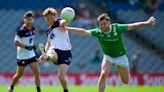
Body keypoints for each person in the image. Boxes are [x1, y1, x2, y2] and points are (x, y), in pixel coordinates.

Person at [63, 13, 156, 92]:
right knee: (103, 73)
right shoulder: (98, 32)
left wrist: (146, 23)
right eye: (100, 24)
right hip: (108, 57)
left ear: (109, 23)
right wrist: (67, 28)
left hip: (121, 57)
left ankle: (120, 68)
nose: (102, 26)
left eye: (104, 24)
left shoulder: (117, 28)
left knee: (126, 81)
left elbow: (133, 25)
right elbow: (83, 32)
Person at [38, 7, 72, 92]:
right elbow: (48, 43)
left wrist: (69, 17)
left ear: (55, 16)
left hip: (65, 52)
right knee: (51, 52)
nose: (50, 20)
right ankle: (48, 56)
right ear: (45, 19)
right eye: (47, 18)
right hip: (54, 50)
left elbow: (64, 22)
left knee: (61, 77)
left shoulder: (58, 22)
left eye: (51, 17)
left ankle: (65, 90)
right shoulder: (48, 31)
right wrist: (43, 54)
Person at [8, 11, 41, 92]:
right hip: (22, 56)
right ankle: (11, 88)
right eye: (27, 19)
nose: (29, 21)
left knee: (37, 72)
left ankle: (39, 90)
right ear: (24, 20)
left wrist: (32, 46)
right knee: (19, 74)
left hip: (31, 55)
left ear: (32, 20)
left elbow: (29, 40)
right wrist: (26, 47)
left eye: (30, 19)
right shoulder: (21, 30)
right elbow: (15, 42)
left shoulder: (33, 28)